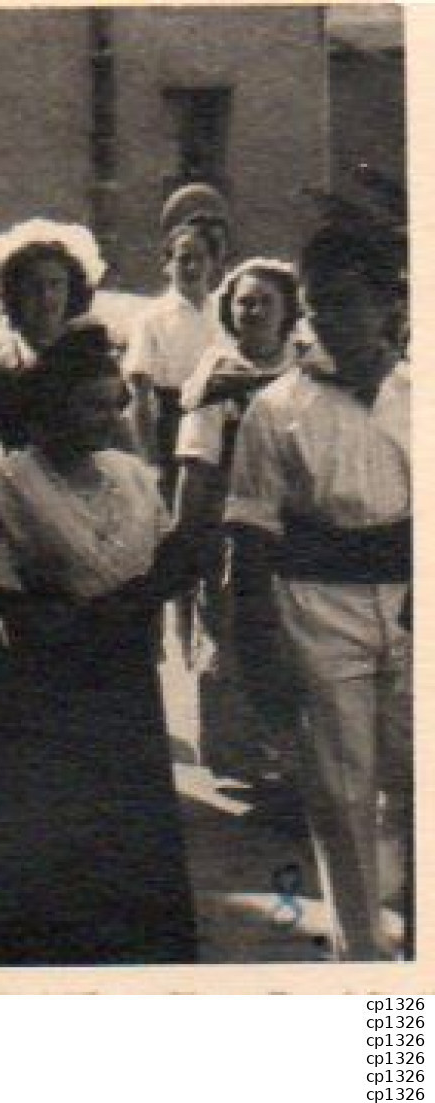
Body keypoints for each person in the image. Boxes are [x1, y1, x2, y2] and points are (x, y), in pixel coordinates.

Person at [0, 321, 200, 965]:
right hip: (45, 682)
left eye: (115, 403)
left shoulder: (134, 475)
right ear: (54, 404)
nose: (109, 417)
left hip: (124, 676)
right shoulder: (13, 480)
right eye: (91, 403)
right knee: (48, 826)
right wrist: (13, 619)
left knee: (126, 824)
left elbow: (167, 551)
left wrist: (146, 597)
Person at [224, 210, 411, 961]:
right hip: (316, 608)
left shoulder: (414, 392)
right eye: (315, 302)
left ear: (386, 303)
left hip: (408, 603)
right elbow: (248, 533)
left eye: (344, 300)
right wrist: (255, 639)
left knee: (413, 775)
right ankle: (360, 956)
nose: (326, 319)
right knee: (340, 791)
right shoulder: (277, 409)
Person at [173, 259, 304, 783]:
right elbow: (195, 457)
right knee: (226, 623)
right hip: (232, 516)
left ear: (287, 311)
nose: (251, 312)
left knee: (290, 628)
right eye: (243, 302)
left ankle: (289, 746)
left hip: (299, 517)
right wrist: (187, 533)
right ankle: (235, 749)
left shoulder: (310, 367)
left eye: (264, 302)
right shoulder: (218, 374)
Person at [0, 218, 106, 475]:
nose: (47, 298)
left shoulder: (84, 352)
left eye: (56, 285)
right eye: (34, 287)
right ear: (15, 294)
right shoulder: (0, 364)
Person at [123, 219, 225, 499]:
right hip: (173, 428)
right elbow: (140, 397)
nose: (192, 267)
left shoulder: (225, 315)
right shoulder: (151, 318)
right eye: (183, 259)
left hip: (224, 426)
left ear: (213, 263)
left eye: (200, 259)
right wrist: (150, 460)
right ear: (168, 265)